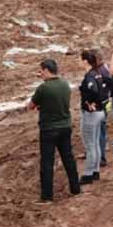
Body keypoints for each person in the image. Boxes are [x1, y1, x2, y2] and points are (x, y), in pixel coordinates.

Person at [29, 59, 80, 204]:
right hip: (65, 126)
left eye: (41, 71)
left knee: (47, 163)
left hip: (49, 129)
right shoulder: (65, 84)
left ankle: (47, 197)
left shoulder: (43, 88)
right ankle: (75, 188)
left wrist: (40, 106)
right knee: (68, 158)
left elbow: (31, 106)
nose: (40, 74)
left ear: (46, 70)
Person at [78, 50, 105, 185]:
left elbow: (93, 91)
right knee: (95, 143)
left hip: (91, 114)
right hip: (100, 112)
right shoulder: (98, 73)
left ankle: (88, 174)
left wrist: (90, 103)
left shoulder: (89, 76)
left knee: (90, 145)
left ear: (85, 61)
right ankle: (96, 171)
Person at [94, 50, 113, 167]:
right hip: (106, 102)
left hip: (100, 104)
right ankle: (101, 153)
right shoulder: (105, 69)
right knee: (101, 129)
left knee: (99, 131)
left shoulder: (99, 72)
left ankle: (100, 156)